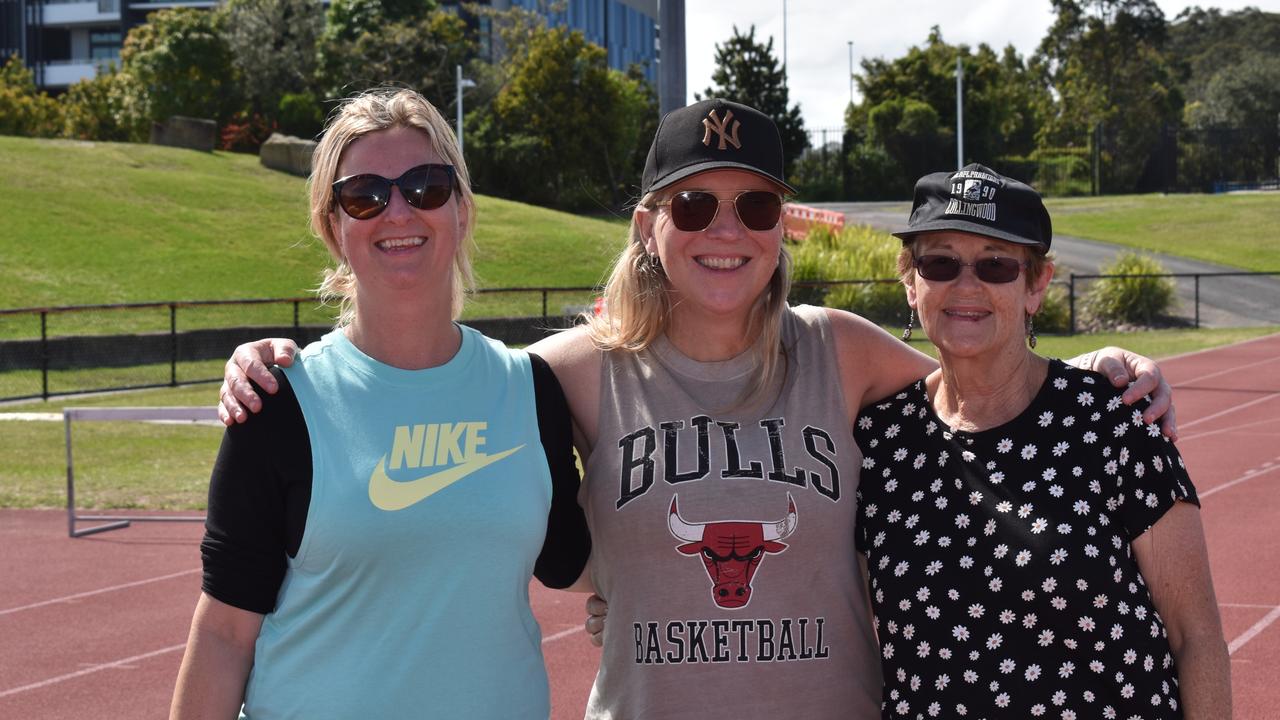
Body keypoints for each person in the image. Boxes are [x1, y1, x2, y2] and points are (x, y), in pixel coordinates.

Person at [219, 100, 1176, 718]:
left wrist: (1096, 367)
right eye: (693, 208)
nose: (727, 231)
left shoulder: (838, 350)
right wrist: (276, 363)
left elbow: (974, 375)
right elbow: (426, 372)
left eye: (755, 208)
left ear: (781, 227)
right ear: (648, 227)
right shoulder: (571, 373)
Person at [169, 88, 589, 720]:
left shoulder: (528, 390)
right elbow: (225, 635)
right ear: (332, 227)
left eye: (425, 186)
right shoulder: (281, 402)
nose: (398, 211)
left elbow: (574, 564)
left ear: (462, 210)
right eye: (364, 194)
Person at [849, 164, 1230, 718]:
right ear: (910, 283)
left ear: (1037, 286)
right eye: (940, 262)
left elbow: (1197, 639)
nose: (966, 285)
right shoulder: (879, 443)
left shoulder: (1115, 422)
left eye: (996, 265)